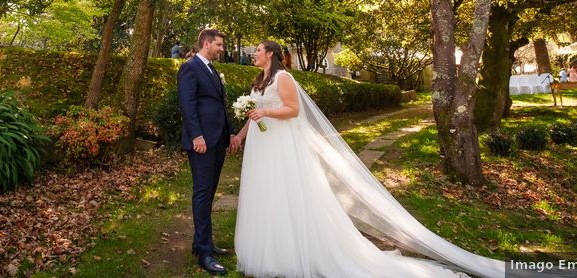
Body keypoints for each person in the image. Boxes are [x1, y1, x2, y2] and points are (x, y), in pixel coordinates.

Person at [232, 40, 506, 278]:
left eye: (258, 50)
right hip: (262, 145)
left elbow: (292, 110)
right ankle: (270, 249)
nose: (254, 54)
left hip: (281, 145)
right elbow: (255, 113)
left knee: (286, 194)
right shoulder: (259, 80)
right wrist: (241, 135)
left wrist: (265, 114)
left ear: (270, 54)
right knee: (266, 194)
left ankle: (292, 252)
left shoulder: (284, 79)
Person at [177, 28, 241, 276]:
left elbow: (220, 106)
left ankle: (201, 242)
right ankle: (204, 253)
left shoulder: (212, 69)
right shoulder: (190, 67)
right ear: (206, 44)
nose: (222, 49)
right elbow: (187, 104)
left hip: (217, 141)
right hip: (202, 141)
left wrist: (231, 133)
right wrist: (196, 136)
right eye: (219, 45)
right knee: (203, 193)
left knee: (210, 191)